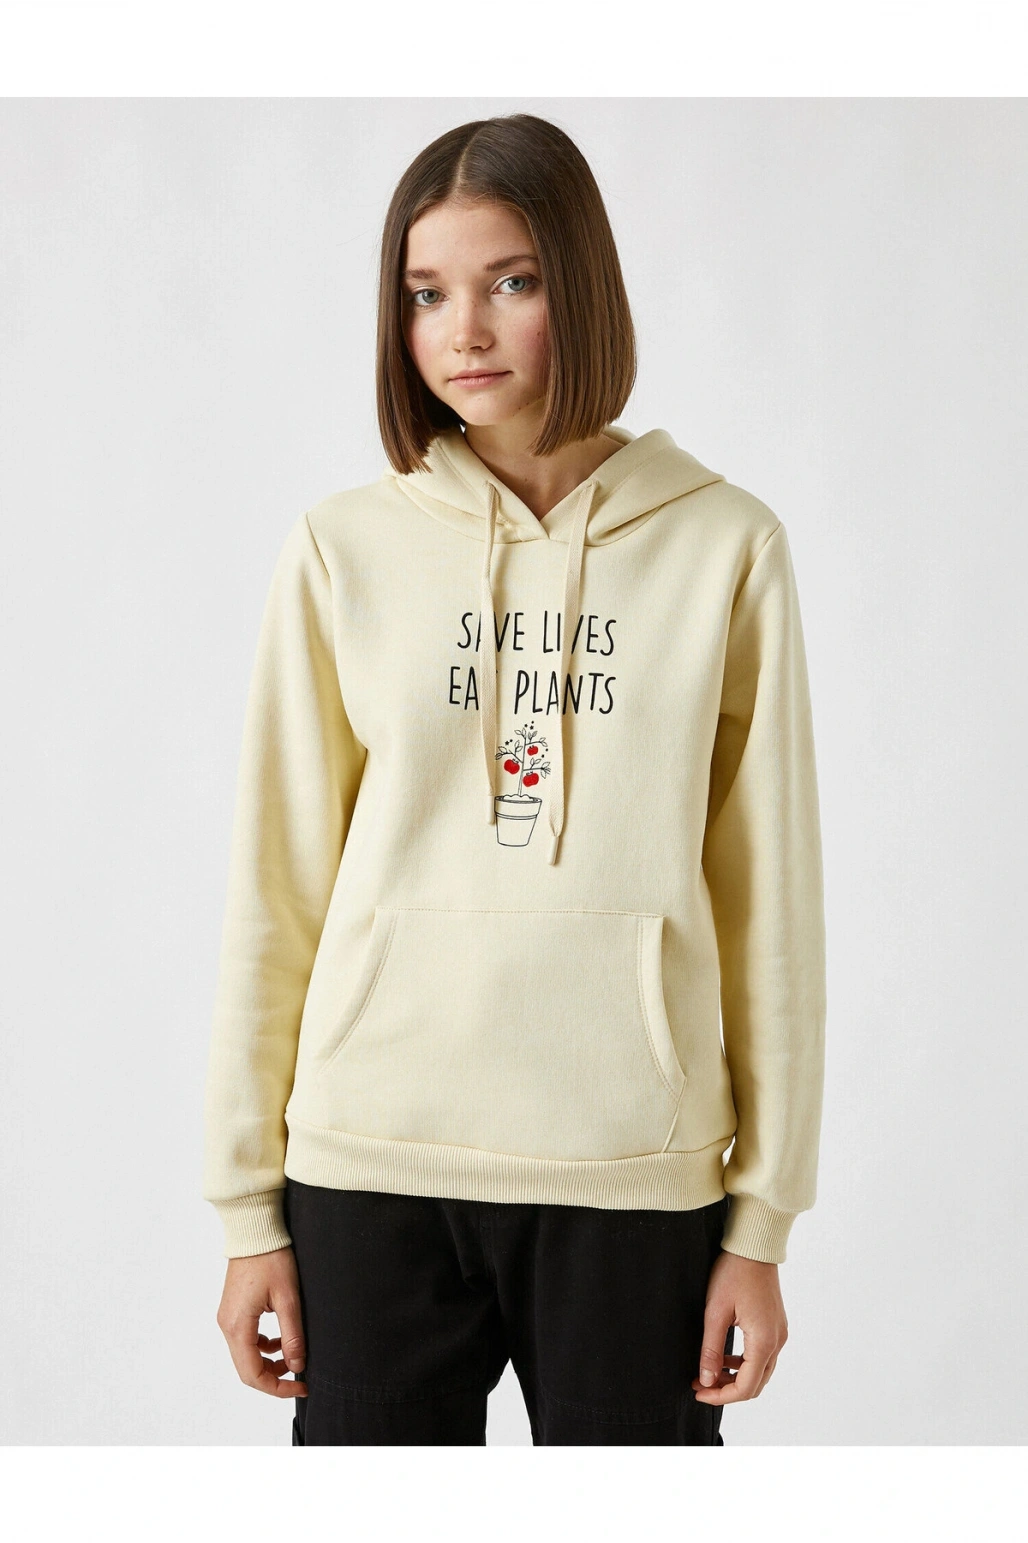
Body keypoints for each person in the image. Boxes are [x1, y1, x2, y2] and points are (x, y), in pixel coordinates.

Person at [202, 112, 827, 1447]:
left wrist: (761, 1221)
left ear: (581, 287)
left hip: (633, 1168)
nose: (464, 331)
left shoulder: (724, 545)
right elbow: (279, 883)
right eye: (426, 293)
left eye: (512, 281)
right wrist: (249, 1208)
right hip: (370, 1161)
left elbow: (768, 899)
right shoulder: (343, 548)